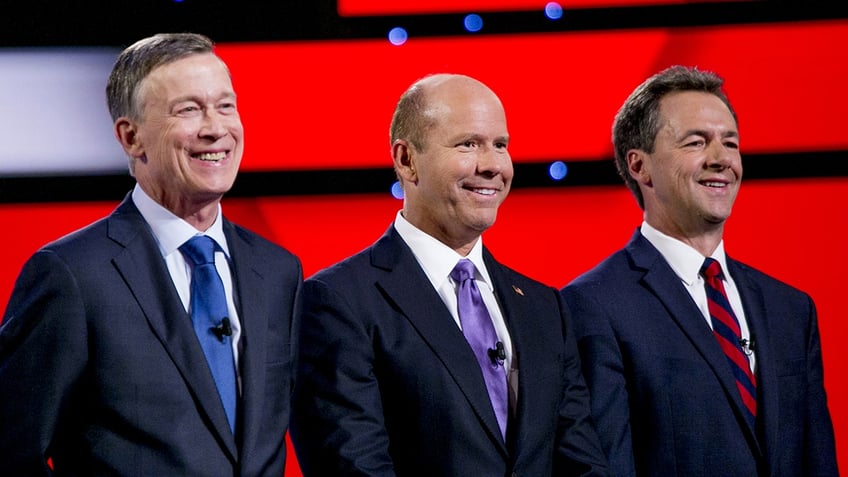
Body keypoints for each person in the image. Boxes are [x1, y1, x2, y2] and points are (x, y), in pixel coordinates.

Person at [0, 33, 302, 475]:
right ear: (131, 136)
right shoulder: (73, 276)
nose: (216, 128)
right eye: (188, 109)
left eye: (225, 105)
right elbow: (11, 450)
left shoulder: (277, 271)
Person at [290, 73, 608, 476]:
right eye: (468, 144)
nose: (492, 165)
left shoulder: (545, 307)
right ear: (407, 160)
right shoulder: (338, 301)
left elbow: (582, 463)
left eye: (501, 146)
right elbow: (353, 466)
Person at [561, 65, 838, 476]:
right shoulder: (593, 305)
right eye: (696, 142)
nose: (720, 159)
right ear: (640, 166)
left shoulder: (791, 309)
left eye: (730, 143)